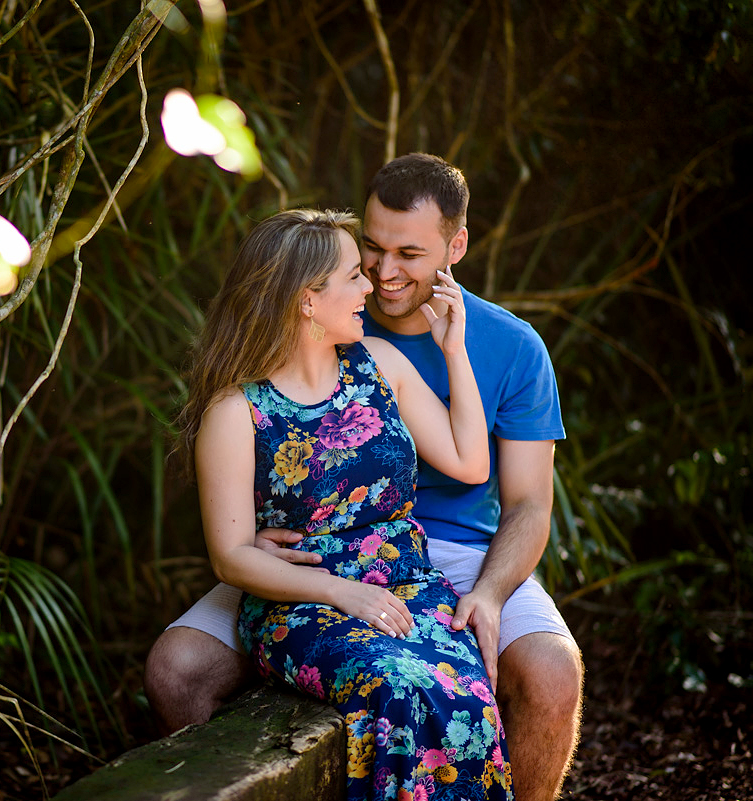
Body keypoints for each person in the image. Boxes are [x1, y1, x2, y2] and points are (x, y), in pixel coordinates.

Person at [146, 154, 583, 801]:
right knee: (175, 667)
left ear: (455, 245)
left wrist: (489, 593)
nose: (380, 275)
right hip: (307, 554)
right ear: (310, 294)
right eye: (370, 252)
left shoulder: (507, 346)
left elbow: (525, 503)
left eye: (408, 253)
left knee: (549, 672)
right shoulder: (324, 336)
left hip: (451, 554)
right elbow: (249, 489)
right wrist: (278, 527)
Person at [181, 205, 510, 800]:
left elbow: (471, 461)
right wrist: (343, 592)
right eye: (355, 274)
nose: (371, 286)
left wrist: (453, 349)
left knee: (466, 689)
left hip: (409, 584)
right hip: (302, 603)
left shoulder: (380, 365)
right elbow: (230, 558)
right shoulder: (236, 412)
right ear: (308, 300)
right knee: (397, 684)